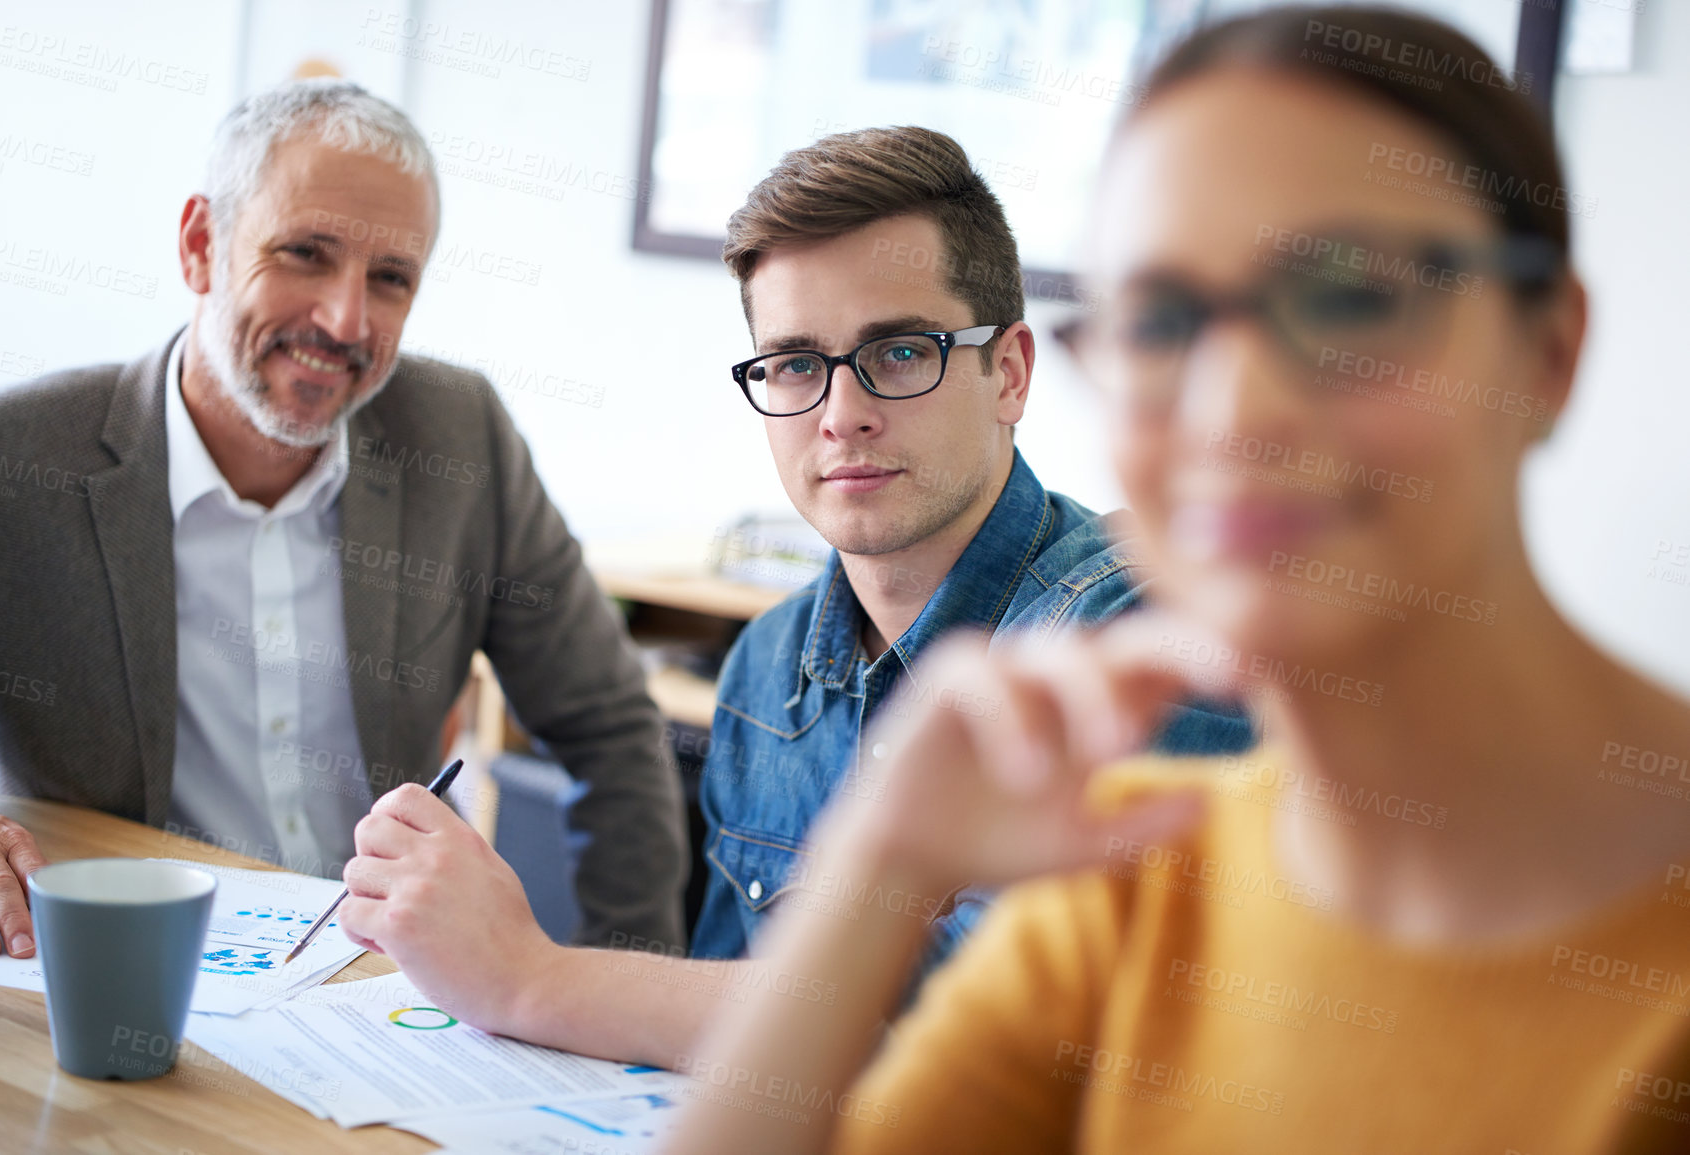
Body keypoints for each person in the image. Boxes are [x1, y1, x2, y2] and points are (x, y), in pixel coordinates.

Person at [666, 7, 1690, 1152]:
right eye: (1161, 322)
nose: (1231, 410)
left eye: (1346, 297)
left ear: (1546, 350)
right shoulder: (1147, 868)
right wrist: (883, 862)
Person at [335, 126, 1248, 1067]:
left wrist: (527, 977)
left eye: (899, 353)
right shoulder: (765, 667)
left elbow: (997, 1044)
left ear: (1008, 372)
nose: (840, 413)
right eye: (796, 364)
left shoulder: (1137, 643)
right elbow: (725, 1056)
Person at [0, 79, 686, 961]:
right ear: (200, 245)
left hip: (381, 981)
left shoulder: (459, 435)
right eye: (305, 252)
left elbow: (609, 725)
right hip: (117, 960)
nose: (345, 319)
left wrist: (627, 988)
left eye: (390, 279)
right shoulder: (4, 457)